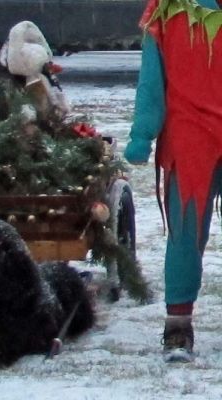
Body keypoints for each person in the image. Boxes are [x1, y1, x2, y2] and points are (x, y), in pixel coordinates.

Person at [125, 0, 222, 362]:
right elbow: (151, 80)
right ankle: (178, 325)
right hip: (189, 136)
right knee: (184, 231)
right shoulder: (168, 11)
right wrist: (142, 134)